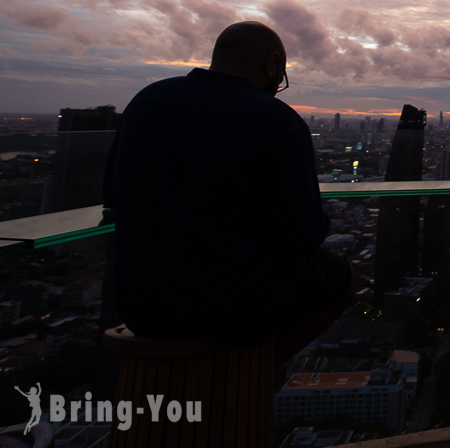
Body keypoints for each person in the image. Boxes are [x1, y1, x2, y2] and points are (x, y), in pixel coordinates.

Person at [103, 22, 355, 362]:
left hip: (137, 304)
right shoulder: (277, 121)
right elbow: (302, 239)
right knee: (346, 280)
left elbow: (110, 198)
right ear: (272, 64)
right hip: (233, 309)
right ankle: (256, 370)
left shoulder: (145, 102)